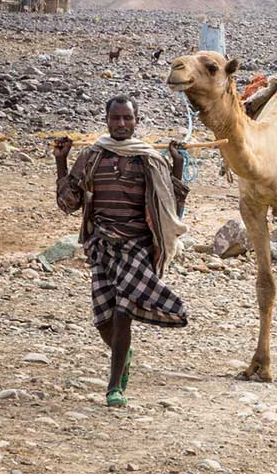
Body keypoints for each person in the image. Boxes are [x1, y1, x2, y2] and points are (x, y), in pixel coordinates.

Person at [54, 95, 190, 408]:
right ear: (107, 120)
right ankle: (122, 354)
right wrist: (61, 160)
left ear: (136, 121)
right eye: (116, 118)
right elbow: (68, 203)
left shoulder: (148, 159)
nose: (121, 124)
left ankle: (114, 388)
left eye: (127, 119)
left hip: (137, 247)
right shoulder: (91, 156)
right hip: (101, 247)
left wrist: (178, 166)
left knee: (122, 313)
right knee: (104, 319)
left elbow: (172, 208)